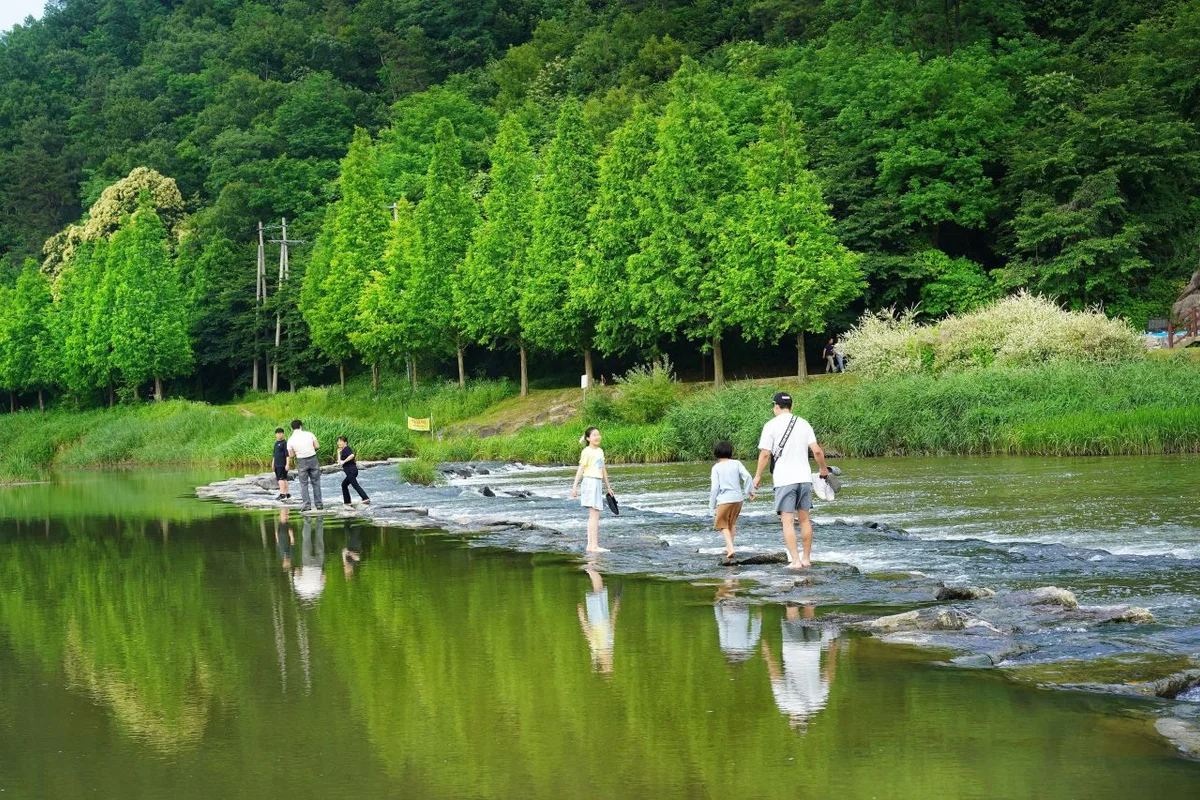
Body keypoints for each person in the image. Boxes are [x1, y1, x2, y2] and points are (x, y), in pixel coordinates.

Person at [752, 392, 830, 569]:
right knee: (804, 520)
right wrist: (823, 470)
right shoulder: (803, 423)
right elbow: (817, 451)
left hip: (784, 480)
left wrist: (757, 476)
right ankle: (807, 559)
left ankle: (795, 561)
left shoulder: (770, 426)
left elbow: (765, 453)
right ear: (791, 406)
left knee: (787, 521)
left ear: (776, 407)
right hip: (804, 479)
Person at [760, 605, 840, 731]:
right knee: (792, 610)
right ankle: (794, 589)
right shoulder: (785, 704)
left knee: (810, 613)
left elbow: (829, 676)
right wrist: (767, 653)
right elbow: (775, 677)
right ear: (793, 721)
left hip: (813, 650)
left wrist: (833, 651)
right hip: (793, 649)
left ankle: (807, 589)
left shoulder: (818, 702)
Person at [570, 426, 616, 554]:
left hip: (597, 482)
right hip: (590, 482)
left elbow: (603, 469)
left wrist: (608, 487)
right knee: (594, 514)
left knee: (595, 514)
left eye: (598, 434)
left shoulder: (600, 451)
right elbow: (581, 469)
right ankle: (593, 546)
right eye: (594, 435)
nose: (597, 437)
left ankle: (591, 546)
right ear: (588, 438)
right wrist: (574, 486)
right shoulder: (587, 451)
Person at [710, 440, 753, 559]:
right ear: (730, 452)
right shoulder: (737, 463)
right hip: (738, 499)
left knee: (722, 525)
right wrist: (749, 491)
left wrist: (711, 505)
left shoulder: (716, 467)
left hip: (724, 499)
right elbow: (748, 477)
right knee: (732, 523)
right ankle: (729, 546)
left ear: (716, 453)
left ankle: (730, 548)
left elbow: (715, 488)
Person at [577, 565, 620, 674]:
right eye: (611, 664)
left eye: (608, 665)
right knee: (598, 581)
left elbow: (588, 632)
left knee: (597, 581)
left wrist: (581, 616)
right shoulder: (609, 648)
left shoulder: (597, 649)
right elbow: (612, 626)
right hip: (604, 615)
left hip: (596, 617)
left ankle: (589, 564)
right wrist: (615, 608)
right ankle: (590, 563)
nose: (611, 661)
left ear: (604, 663)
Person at [287, 419, 322, 511]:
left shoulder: (290, 439)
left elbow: (291, 455)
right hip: (313, 458)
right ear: (301, 426)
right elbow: (317, 446)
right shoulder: (309, 434)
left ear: (292, 428)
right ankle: (319, 504)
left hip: (301, 460)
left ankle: (307, 505)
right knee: (316, 482)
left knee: (303, 484)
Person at [336, 435, 370, 508]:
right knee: (344, 485)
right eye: (338, 441)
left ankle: (365, 498)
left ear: (345, 442)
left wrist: (344, 461)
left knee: (354, 485)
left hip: (351, 471)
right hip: (350, 472)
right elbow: (339, 463)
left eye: (340, 441)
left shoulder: (347, 448)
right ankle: (347, 502)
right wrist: (338, 453)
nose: (338, 443)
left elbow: (352, 455)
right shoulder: (343, 450)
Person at [272, 427, 291, 502]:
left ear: (283, 434)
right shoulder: (276, 443)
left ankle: (283, 494)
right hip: (277, 464)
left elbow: (287, 455)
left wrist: (287, 464)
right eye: (277, 433)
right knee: (284, 479)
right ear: (275, 435)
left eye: (280, 433)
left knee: (281, 479)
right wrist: (273, 464)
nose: (279, 435)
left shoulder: (285, 443)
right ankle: (286, 493)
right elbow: (274, 455)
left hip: (282, 464)